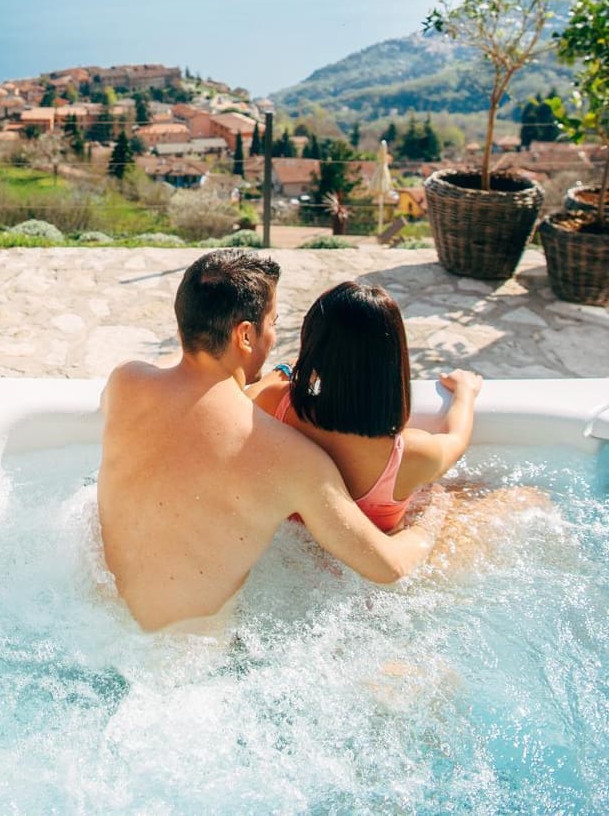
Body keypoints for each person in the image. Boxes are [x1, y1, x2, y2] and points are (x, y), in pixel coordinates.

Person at [98, 251, 445, 633]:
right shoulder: (290, 457)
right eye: (272, 324)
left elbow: (185, 376)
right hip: (195, 653)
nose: (274, 336)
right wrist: (429, 520)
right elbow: (389, 568)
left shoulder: (124, 383)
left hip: (101, 621)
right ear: (246, 335)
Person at [249, 281, 483, 531]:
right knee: (451, 493)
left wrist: (290, 367)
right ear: (394, 360)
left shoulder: (278, 403)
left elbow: (247, 397)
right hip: (375, 549)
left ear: (312, 346)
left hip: (292, 539)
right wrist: (465, 392)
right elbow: (456, 440)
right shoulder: (413, 453)